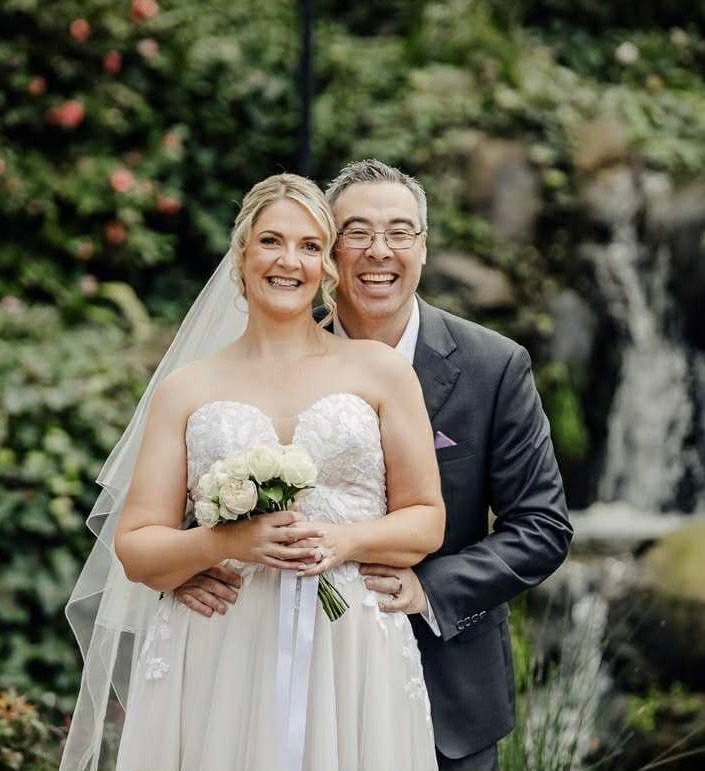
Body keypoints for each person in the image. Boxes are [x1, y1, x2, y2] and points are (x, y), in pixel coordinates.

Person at [176, 159, 573, 770]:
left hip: (448, 696)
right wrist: (190, 564)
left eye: (399, 233)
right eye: (356, 232)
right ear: (329, 251)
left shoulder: (494, 367)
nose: (378, 251)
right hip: (291, 684)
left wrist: (429, 589)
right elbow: (208, 488)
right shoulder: (270, 360)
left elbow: (542, 527)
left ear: (424, 246)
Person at [60, 173, 445, 771]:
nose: (289, 261)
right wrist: (224, 542)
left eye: (310, 246)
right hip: (221, 645)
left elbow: (425, 521)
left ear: (328, 265)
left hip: (350, 646)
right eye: (271, 241)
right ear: (240, 254)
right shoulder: (187, 388)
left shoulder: (382, 372)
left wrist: (344, 540)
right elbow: (136, 547)